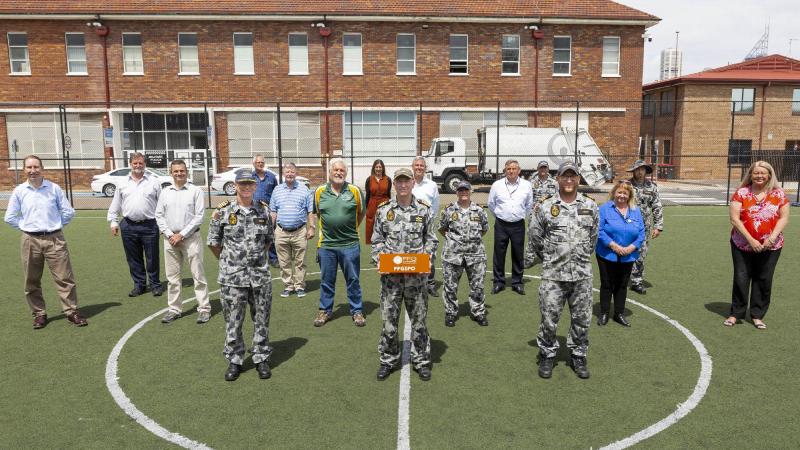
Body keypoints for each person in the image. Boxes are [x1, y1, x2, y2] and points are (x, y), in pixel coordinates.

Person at [528, 161, 598, 379]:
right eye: (564, 176)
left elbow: (592, 238)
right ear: (557, 179)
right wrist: (550, 258)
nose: (569, 180)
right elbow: (535, 237)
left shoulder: (591, 206)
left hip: (581, 275)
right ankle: (547, 354)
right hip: (553, 276)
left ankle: (578, 355)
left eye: (573, 176)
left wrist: (580, 255)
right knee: (549, 318)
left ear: (578, 179)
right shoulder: (545, 206)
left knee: (582, 319)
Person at [4, 155, 88, 329]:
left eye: (36, 167)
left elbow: (68, 212)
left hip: (55, 238)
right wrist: (25, 227)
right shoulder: (20, 191)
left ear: (42, 168)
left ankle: (71, 311)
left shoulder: (53, 188)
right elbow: (9, 217)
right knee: (31, 280)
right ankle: (39, 314)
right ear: (24, 170)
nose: (33, 171)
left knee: (65, 278)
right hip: (30, 240)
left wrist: (55, 226)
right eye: (29, 167)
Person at [371, 168, 439, 381]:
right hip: (391, 280)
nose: (402, 185)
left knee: (419, 321)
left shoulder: (423, 210)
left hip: (416, 279)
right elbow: (376, 240)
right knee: (389, 322)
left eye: (406, 181)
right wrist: (380, 259)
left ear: (412, 184)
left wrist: (426, 259)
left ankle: (421, 361)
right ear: (395, 185)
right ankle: (388, 360)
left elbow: (431, 239)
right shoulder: (384, 210)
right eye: (399, 181)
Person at [207, 170, 275, 381]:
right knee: (233, 321)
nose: (246, 187)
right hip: (232, 277)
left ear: (255, 186)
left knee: (261, 319)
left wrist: (253, 260)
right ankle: (235, 359)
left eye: (250, 184)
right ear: (235, 185)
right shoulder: (223, 212)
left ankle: (260, 357)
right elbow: (214, 243)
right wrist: (231, 262)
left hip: (259, 276)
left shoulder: (263, 211)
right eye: (242, 184)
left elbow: (267, 241)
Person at [725, 161, 790, 330]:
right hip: (742, 244)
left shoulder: (779, 194)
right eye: (756, 173)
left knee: (764, 278)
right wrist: (751, 240)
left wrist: (771, 239)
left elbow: (783, 218)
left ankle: (757, 315)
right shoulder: (741, 193)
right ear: (750, 175)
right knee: (741, 277)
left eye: (763, 173)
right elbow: (734, 219)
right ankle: (736, 313)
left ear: (769, 175)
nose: (759, 176)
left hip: (771, 246)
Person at [312, 158, 366, 327]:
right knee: (327, 280)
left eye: (342, 170)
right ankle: (325, 310)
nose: (338, 173)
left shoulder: (355, 191)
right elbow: (318, 213)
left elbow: (361, 213)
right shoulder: (319, 191)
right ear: (330, 172)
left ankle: (357, 311)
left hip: (350, 244)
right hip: (327, 245)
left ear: (346, 173)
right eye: (335, 170)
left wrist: (347, 227)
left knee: (353, 279)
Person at [154, 159, 210, 324]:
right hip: (170, 240)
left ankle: (204, 309)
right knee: (172, 278)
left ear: (187, 172)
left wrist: (182, 235)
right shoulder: (165, 192)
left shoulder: (196, 191)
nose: (179, 174)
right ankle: (174, 309)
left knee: (198, 275)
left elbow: (199, 216)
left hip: (191, 238)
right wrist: (170, 234)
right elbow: (159, 215)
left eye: (182, 171)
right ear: (171, 173)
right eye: (176, 171)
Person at [107, 152, 164, 297]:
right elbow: (116, 205)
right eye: (135, 163)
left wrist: (163, 225)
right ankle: (139, 285)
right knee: (133, 258)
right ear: (130, 164)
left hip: (150, 225)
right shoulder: (122, 183)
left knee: (152, 257)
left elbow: (162, 205)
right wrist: (113, 222)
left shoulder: (154, 182)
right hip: (128, 225)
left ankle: (155, 284)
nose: (138, 166)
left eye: (141, 163)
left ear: (145, 164)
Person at [438, 181, 489, 327]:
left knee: (477, 285)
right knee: (450, 286)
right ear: (457, 193)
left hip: (476, 254)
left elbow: (484, 229)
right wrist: (455, 241)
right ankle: (450, 312)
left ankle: (478, 312)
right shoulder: (449, 210)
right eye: (460, 190)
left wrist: (471, 242)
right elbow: (442, 229)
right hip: (453, 254)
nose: (463, 192)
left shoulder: (479, 211)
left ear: (470, 191)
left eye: (466, 190)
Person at [595, 181, 645, 327]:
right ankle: (604, 313)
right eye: (619, 192)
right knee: (607, 284)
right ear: (614, 193)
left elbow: (641, 232)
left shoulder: (635, 210)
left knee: (622, 285)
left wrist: (631, 247)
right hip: (607, 253)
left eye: (625, 193)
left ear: (629, 196)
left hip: (628, 254)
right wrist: (614, 246)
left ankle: (619, 313)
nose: (622, 195)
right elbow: (600, 230)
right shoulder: (604, 209)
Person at [487, 159, 533, 295]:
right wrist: (501, 216)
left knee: (518, 254)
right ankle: (498, 282)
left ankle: (517, 282)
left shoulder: (526, 185)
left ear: (519, 171)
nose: (511, 171)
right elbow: (491, 203)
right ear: (505, 170)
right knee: (499, 254)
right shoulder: (497, 185)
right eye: (509, 169)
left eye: (514, 169)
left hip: (518, 224)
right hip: (501, 224)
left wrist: (518, 215)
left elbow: (529, 205)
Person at [269, 162, 315, 298]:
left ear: (296, 173)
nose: (289, 174)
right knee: (284, 261)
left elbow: (310, 211)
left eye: (292, 172)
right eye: (287, 172)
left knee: (300, 261)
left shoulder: (304, 190)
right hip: (281, 231)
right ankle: (288, 286)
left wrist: (311, 228)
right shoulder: (277, 190)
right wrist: (270, 229)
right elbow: (273, 211)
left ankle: (299, 286)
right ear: (284, 173)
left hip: (299, 231)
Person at [627, 160, 664, 294]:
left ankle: (637, 281)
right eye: (638, 169)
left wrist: (658, 226)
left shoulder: (652, 187)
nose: (640, 172)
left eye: (643, 169)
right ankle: (622, 277)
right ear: (634, 171)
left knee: (641, 253)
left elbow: (657, 206)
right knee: (624, 251)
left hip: (644, 226)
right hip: (626, 225)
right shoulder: (626, 185)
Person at [411, 156, 440, 296]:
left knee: (429, 254)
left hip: (427, 225)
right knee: (412, 253)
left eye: (421, 165)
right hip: (409, 226)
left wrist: (428, 220)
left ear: (425, 168)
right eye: (416, 165)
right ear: (413, 167)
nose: (419, 168)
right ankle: (414, 282)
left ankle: (430, 284)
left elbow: (435, 205)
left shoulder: (432, 185)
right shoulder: (408, 182)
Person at [525, 160, 558, 268]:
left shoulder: (554, 183)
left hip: (549, 213)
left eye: (545, 168)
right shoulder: (532, 182)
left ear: (548, 169)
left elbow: (557, 198)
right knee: (532, 234)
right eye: (541, 168)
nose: (543, 170)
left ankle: (548, 257)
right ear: (538, 169)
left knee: (550, 235)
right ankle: (529, 258)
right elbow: (528, 198)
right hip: (535, 212)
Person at [252, 154, 280, 267]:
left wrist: (275, 210)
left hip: (269, 211)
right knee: (256, 235)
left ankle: (273, 259)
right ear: (254, 164)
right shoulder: (250, 177)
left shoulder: (271, 177)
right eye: (258, 162)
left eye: (262, 162)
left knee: (271, 234)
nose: (260, 164)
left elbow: (276, 193)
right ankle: (257, 258)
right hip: (254, 211)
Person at [364, 159, 392, 245]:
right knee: (371, 223)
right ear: (374, 168)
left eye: (380, 167)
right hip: (372, 204)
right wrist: (366, 208)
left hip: (384, 203)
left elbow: (388, 193)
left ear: (383, 168)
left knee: (385, 222)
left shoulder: (388, 179)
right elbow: (368, 194)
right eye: (377, 167)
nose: (378, 169)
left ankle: (386, 240)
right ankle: (372, 242)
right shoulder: (369, 179)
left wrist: (390, 206)